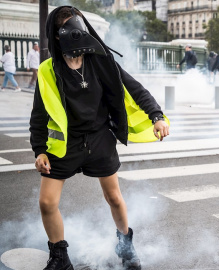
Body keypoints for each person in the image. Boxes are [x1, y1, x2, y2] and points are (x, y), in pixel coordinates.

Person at [29, 6, 170, 270]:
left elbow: (135, 88)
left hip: (99, 138)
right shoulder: (48, 70)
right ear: (56, 36)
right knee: (47, 202)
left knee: (114, 197)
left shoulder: (101, 60)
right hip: (66, 143)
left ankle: (125, 246)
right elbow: (39, 116)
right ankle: (60, 257)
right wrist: (39, 150)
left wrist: (157, 115)